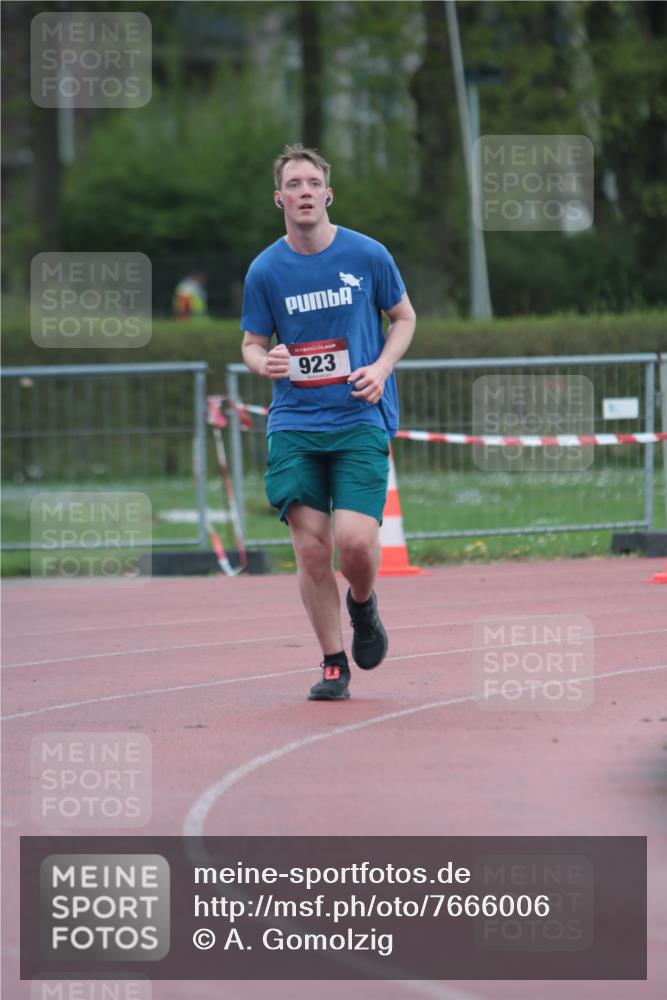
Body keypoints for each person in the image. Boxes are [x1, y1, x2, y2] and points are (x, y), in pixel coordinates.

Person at [241, 144, 416, 702]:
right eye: (294, 184)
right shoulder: (266, 269)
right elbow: (251, 342)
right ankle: (333, 661)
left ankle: (362, 607)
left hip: (359, 416)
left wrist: (383, 367)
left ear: (328, 194)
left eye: (313, 183)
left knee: (356, 545)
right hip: (295, 421)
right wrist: (261, 361)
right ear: (280, 199)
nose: (305, 192)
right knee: (312, 549)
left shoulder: (367, 255)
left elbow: (404, 318)